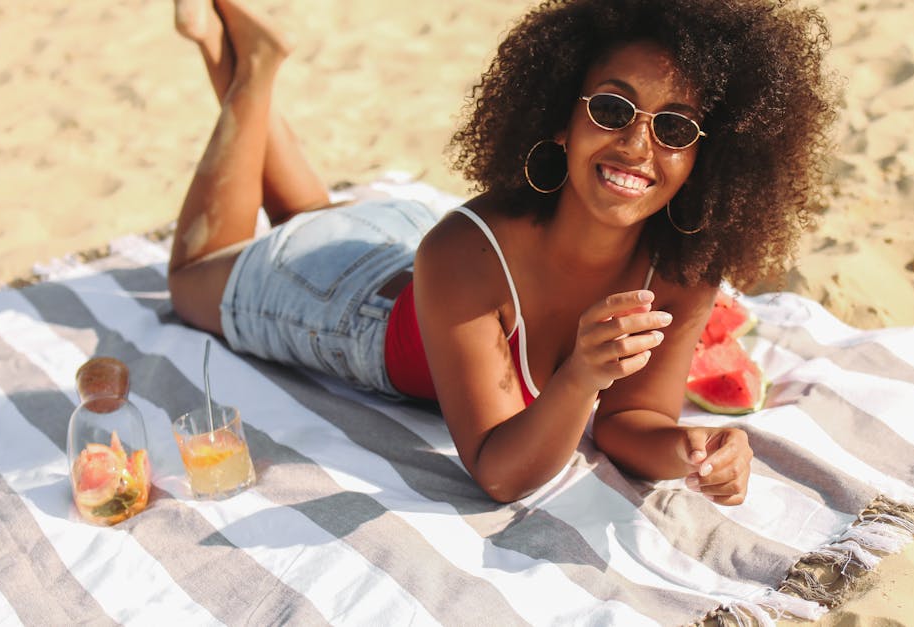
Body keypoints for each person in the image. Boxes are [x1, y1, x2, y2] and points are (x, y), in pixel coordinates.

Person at [167, 0, 836, 504]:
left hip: (401, 240)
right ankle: (252, 69)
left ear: (704, 156)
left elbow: (632, 418)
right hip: (351, 304)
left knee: (308, 217)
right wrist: (579, 374)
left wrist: (691, 447)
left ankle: (236, 52)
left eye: (675, 126)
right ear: (560, 117)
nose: (637, 145)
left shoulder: (684, 267)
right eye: (611, 109)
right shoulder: (466, 250)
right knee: (190, 278)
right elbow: (497, 471)